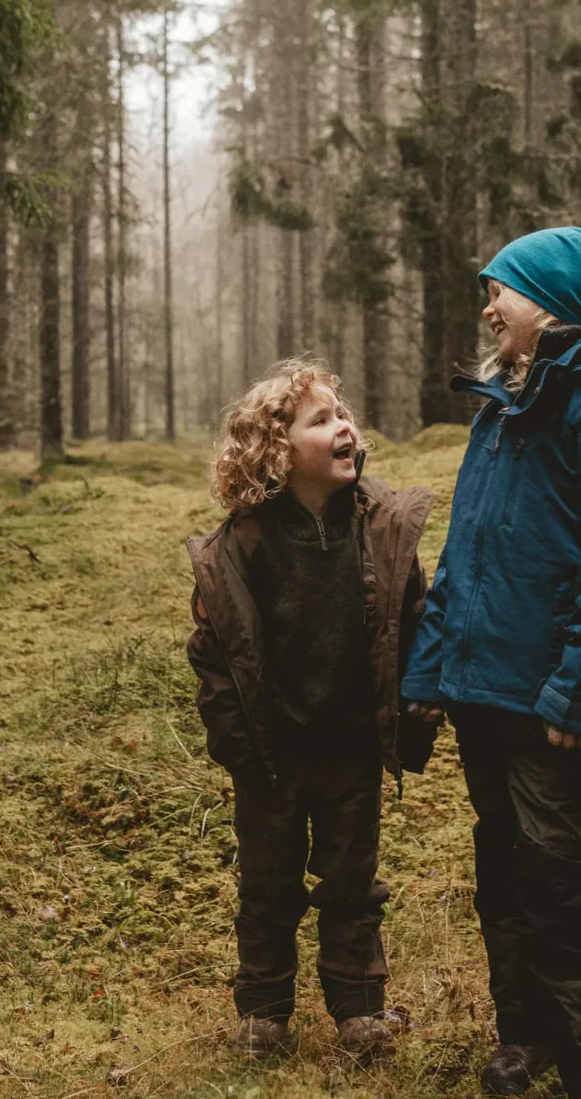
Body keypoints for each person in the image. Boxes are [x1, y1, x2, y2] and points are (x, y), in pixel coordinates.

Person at [402, 227, 581, 1099]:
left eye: (501, 291)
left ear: (547, 300)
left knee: (556, 874)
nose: (488, 307)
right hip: (479, 690)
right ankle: (525, 1035)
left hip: (547, 702)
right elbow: (464, 554)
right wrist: (430, 670)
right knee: (502, 868)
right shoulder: (500, 407)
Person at [186, 357, 433, 1060]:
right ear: (277, 452)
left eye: (344, 415)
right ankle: (264, 1012)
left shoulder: (380, 530)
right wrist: (235, 740)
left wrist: (416, 704)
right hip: (273, 752)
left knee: (353, 883)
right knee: (268, 885)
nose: (344, 427)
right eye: (321, 420)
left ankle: (359, 1011)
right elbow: (215, 651)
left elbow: (413, 617)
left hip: (352, 742)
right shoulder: (246, 544)